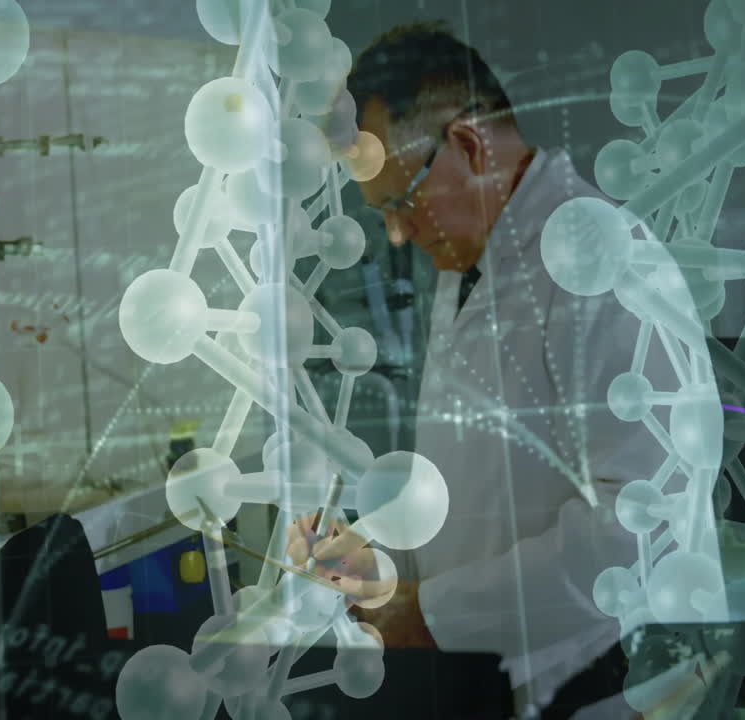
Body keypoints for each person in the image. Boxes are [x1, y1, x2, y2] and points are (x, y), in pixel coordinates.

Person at [288, 22, 684, 718]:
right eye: (382, 211)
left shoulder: (604, 264)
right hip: (491, 678)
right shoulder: (472, 267)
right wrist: (378, 565)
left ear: (468, 145)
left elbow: (634, 532)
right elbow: (476, 485)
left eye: (403, 200)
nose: (398, 234)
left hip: (599, 687)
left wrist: (433, 615)